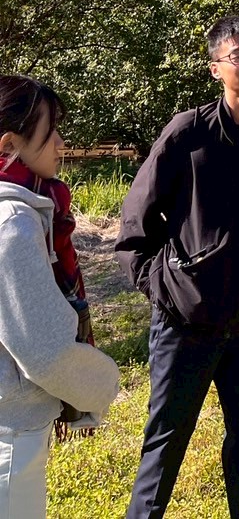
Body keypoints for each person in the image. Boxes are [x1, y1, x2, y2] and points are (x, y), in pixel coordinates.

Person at [115, 16, 239, 519]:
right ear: (215, 68)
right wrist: (166, 287)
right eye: (236, 55)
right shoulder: (188, 132)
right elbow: (137, 220)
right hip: (185, 324)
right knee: (164, 448)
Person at [0, 75, 120, 519]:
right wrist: (102, 385)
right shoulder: (12, 221)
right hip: (10, 432)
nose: (60, 142)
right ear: (10, 143)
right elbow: (45, 351)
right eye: (50, 132)